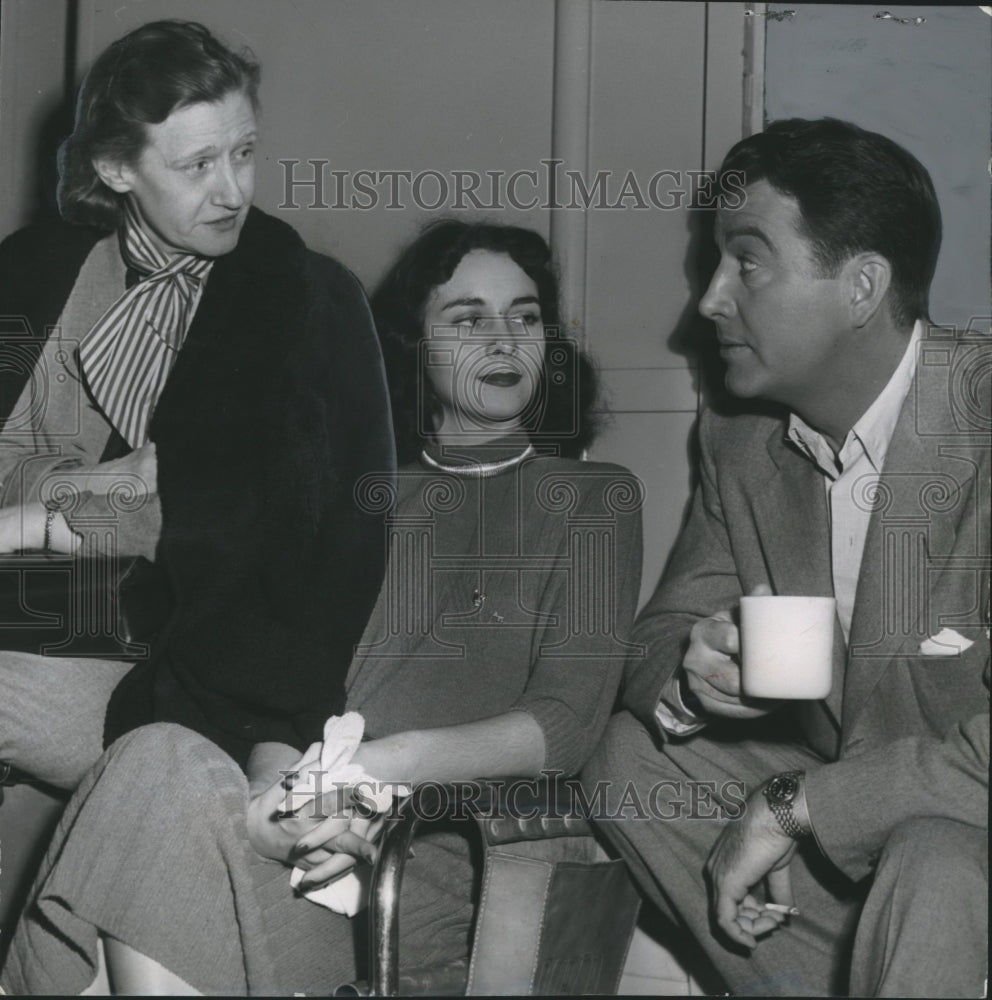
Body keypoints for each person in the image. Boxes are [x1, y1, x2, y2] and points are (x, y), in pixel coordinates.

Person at [0, 220, 643, 994]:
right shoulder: (350, 489)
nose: (504, 340)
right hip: (300, 854)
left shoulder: (592, 496)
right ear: (412, 345)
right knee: (155, 754)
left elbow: (566, 723)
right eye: (468, 318)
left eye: (526, 315)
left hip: (408, 886)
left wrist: (374, 773)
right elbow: (282, 684)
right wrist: (285, 794)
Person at [0, 17, 393, 967]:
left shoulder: (307, 299)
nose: (233, 190)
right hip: (34, 619)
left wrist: (29, 515)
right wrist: (80, 499)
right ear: (118, 168)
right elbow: (63, 471)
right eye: (196, 164)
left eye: (245, 152)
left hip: (190, 658)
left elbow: (304, 533)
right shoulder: (38, 272)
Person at [583, 118, 990, 997]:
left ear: (862, 287)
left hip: (965, 831)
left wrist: (796, 807)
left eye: (748, 260)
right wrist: (695, 676)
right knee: (632, 761)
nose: (710, 299)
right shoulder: (740, 437)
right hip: (866, 846)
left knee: (935, 855)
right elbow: (659, 635)